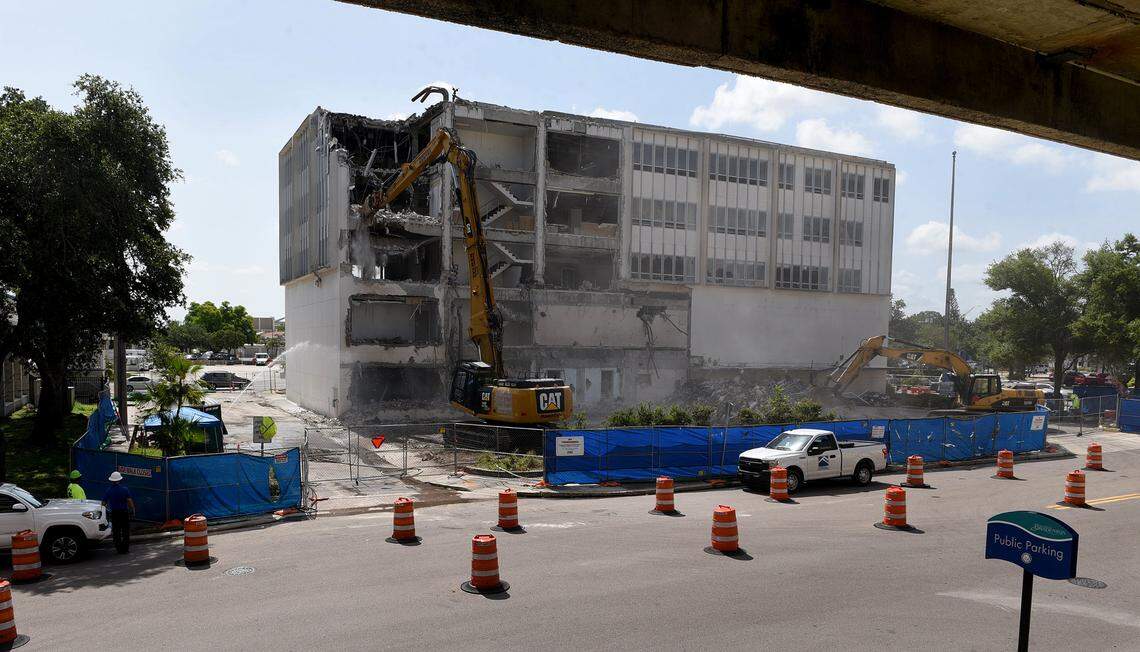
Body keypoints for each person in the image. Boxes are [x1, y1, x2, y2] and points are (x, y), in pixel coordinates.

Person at [101, 472, 135, 554]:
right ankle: (125, 549)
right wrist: (133, 509)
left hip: (114, 513)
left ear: (111, 480)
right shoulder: (125, 489)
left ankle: (119, 549)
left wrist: (105, 511)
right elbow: (129, 501)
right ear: (120, 480)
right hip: (124, 512)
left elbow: (103, 503)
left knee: (116, 531)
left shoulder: (108, 490)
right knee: (125, 531)